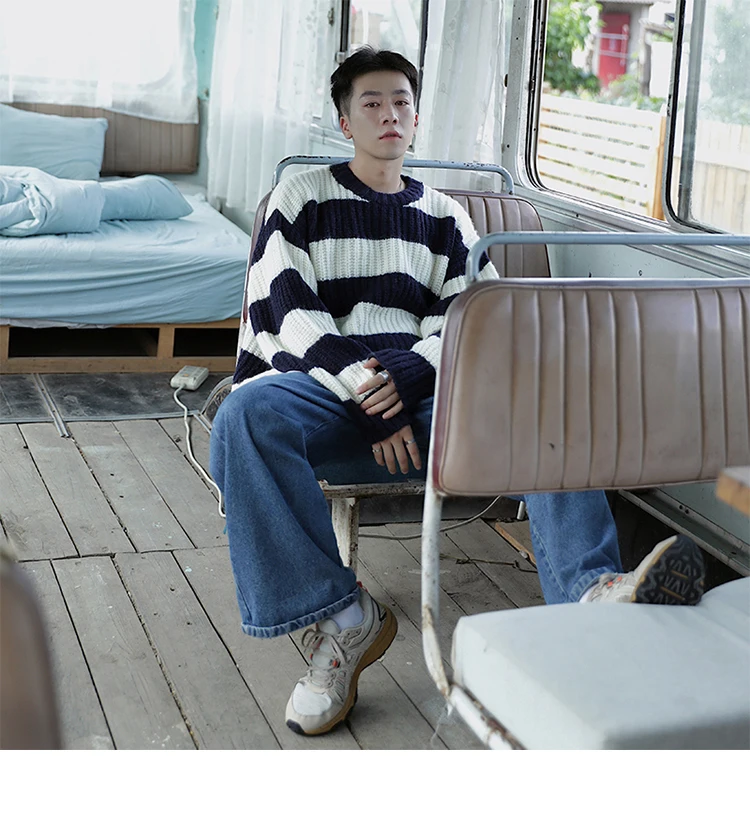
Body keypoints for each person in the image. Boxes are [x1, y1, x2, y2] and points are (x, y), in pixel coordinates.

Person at [209, 47, 706, 737]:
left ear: (416, 118)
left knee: (545, 393)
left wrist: (408, 377)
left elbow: (477, 315)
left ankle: (590, 594)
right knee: (243, 416)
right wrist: (368, 394)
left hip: (425, 397)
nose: (390, 114)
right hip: (327, 394)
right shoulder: (300, 199)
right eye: (372, 103)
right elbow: (287, 313)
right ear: (345, 121)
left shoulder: (445, 217)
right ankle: (344, 619)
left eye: (402, 102)